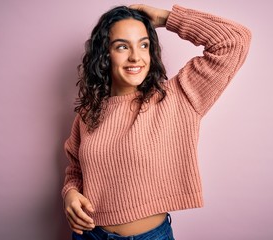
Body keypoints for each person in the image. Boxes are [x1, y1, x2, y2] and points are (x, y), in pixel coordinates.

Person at [62, 3, 251, 240]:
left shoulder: (177, 97)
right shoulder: (89, 112)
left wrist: (166, 18)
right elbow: (76, 169)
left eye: (144, 44)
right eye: (122, 46)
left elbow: (235, 40)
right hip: (88, 235)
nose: (136, 57)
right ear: (104, 54)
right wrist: (70, 193)